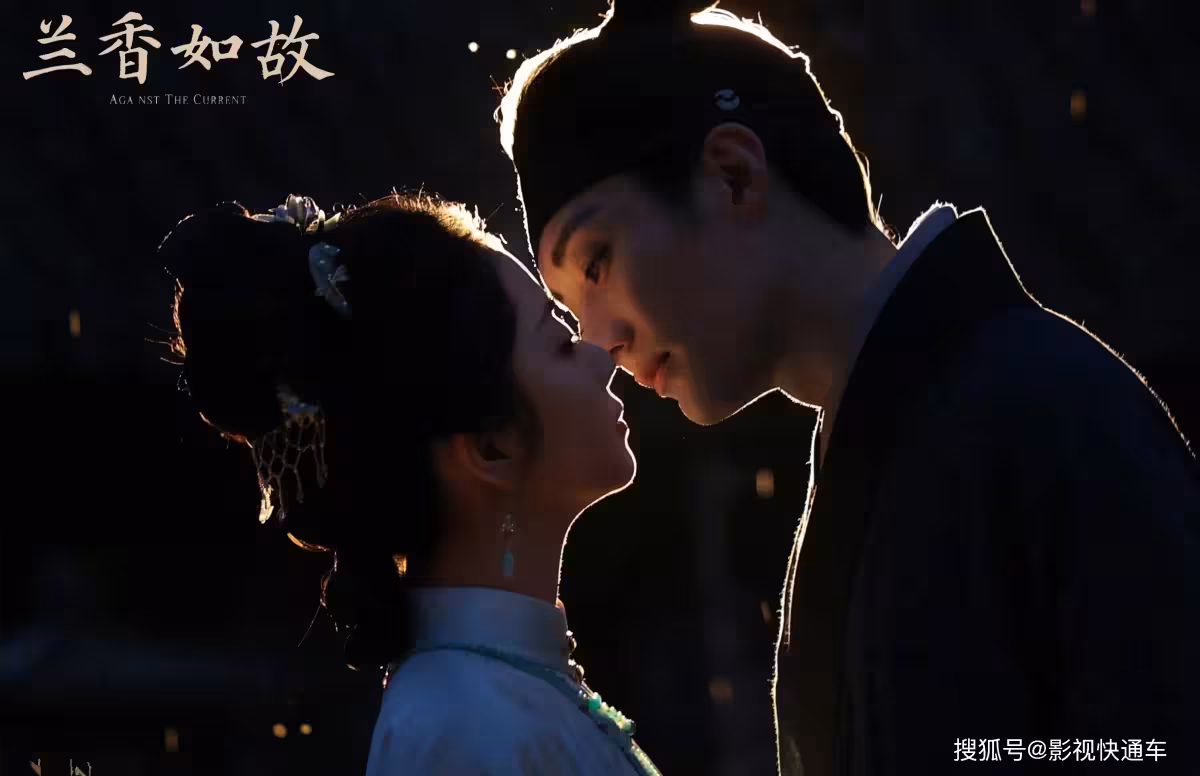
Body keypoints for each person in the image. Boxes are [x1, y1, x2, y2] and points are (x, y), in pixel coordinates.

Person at [496, 3, 1200, 774]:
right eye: (569, 307)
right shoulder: (907, 431)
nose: (599, 340)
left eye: (596, 261)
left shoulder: (1046, 406)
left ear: (733, 174)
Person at [160, 192, 662, 775]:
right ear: (490, 447)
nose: (602, 359)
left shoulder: (492, 694)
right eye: (559, 343)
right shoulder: (466, 729)